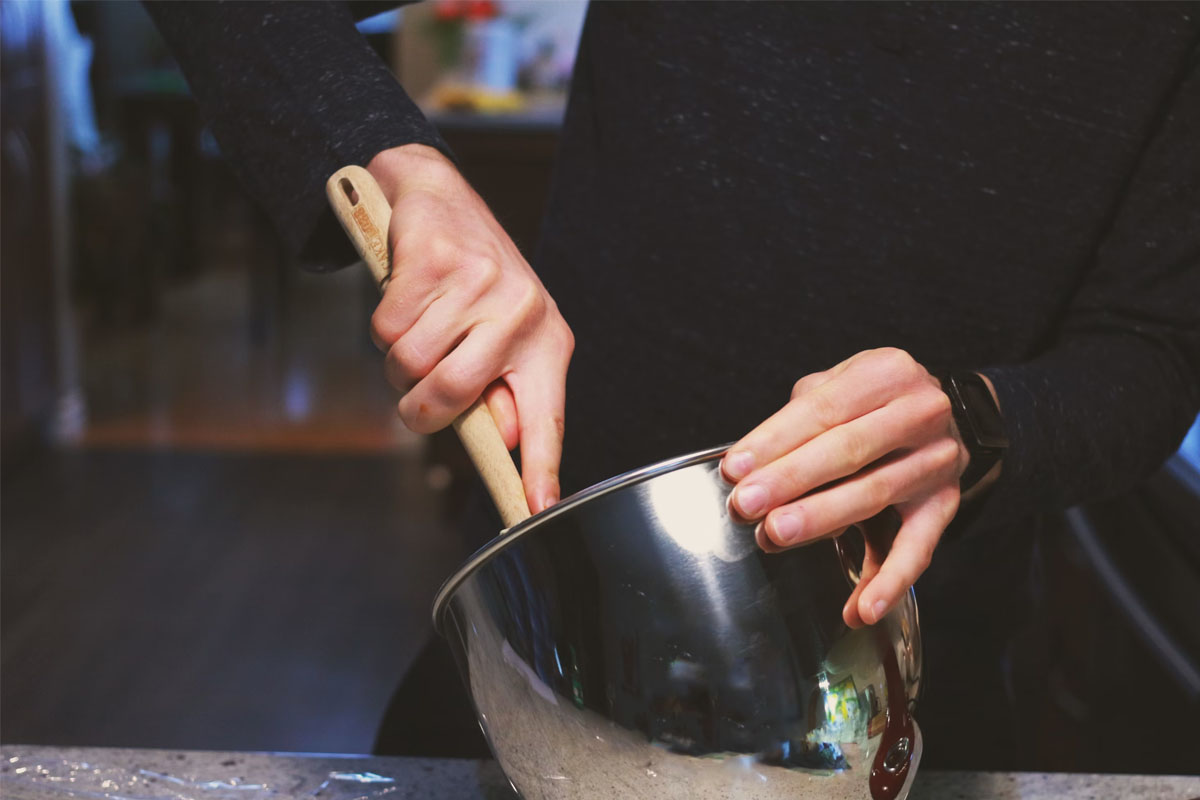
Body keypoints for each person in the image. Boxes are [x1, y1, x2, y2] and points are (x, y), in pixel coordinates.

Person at [146, 1, 1200, 768]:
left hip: (901, 708)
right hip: (547, 671)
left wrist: (981, 422)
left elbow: (1156, 346)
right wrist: (395, 161)